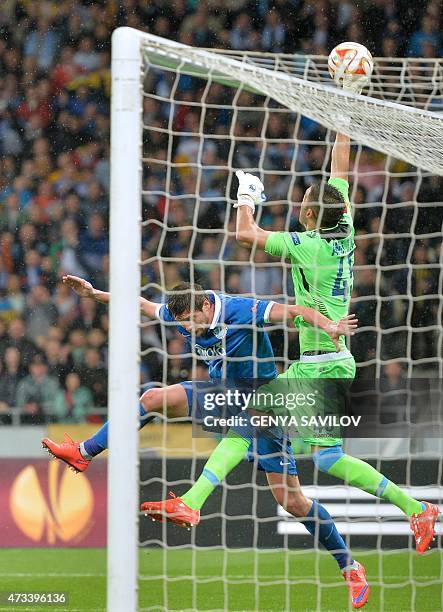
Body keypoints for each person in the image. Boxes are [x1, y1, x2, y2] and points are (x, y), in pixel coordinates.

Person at [42, 275, 367, 605]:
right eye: (183, 325)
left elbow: (295, 310)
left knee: (293, 502)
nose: (190, 331)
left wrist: (330, 326)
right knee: (152, 397)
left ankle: (350, 567)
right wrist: (94, 294)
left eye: (192, 323)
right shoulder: (179, 312)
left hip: (264, 404)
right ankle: (85, 452)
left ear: (207, 306)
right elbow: (139, 304)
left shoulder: (240, 309)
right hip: (221, 397)